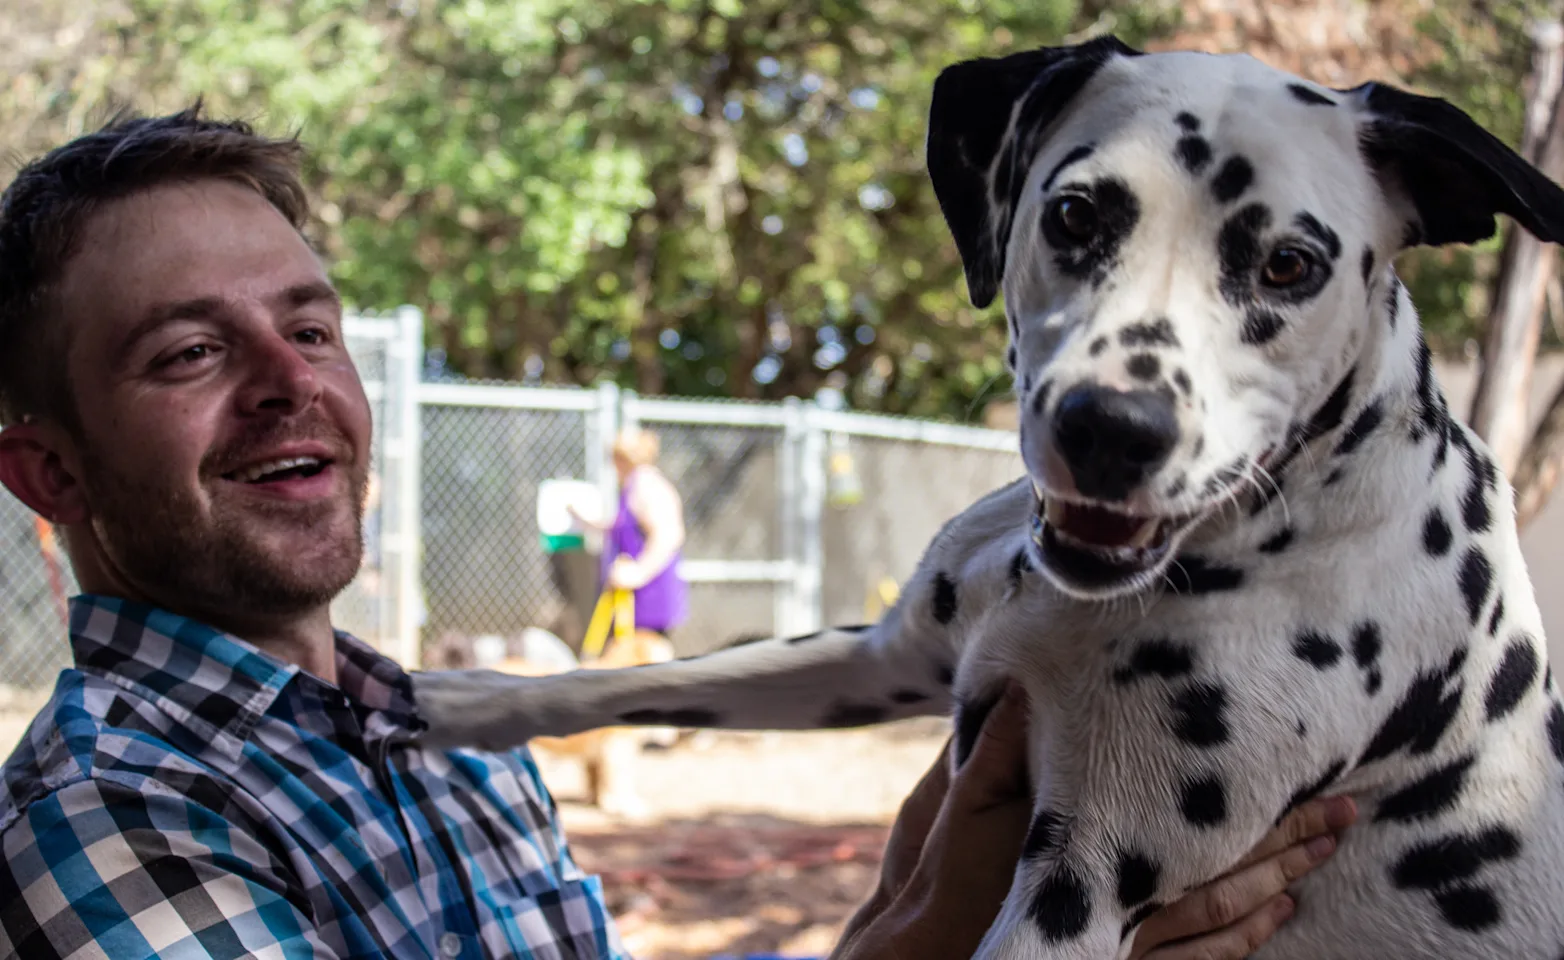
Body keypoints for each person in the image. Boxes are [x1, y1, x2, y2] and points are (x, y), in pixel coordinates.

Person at [0, 104, 1353, 959]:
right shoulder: (107, 816)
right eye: (187, 352)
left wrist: (915, 914)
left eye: (308, 327)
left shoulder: (440, 725)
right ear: (46, 470)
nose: (290, 379)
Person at [572, 428, 690, 643]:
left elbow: (669, 534)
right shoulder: (632, 485)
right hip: (629, 599)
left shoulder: (647, 486)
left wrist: (638, 572)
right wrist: (583, 519)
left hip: (649, 597)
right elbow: (621, 527)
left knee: (645, 662)